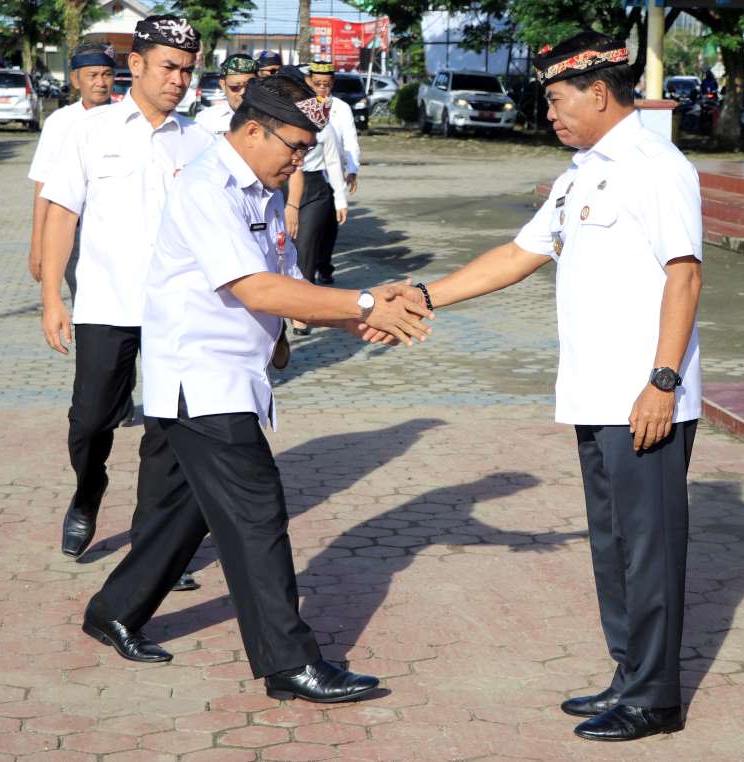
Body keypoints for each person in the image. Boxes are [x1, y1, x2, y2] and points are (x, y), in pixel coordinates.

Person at [82, 70, 433, 702]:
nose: (299, 162)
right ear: (251, 129)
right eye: (293, 148)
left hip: (234, 376)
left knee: (188, 513)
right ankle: (287, 662)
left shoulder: (263, 186)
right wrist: (361, 301)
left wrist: (348, 316)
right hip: (201, 378)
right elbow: (254, 287)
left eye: (306, 151)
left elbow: (282, 272)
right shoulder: (206, 187)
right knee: (256, 512)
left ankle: (114, 609)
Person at [412, 31, 702, 742]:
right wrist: (421, 296)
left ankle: (656, 698)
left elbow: (685, 274)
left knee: (649, 545)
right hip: (594, 393)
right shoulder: (582, 174)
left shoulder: (654, 166)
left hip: (644, 395)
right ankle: (629, 673)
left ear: (598, 92)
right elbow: (517, 255)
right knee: (612, 542)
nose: (549, 111)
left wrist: (662, 382)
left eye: (555, 97)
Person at [38, 16, 213, 590]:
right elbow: (63, 213)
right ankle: (88, 493)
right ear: (135, 64)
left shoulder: (201, 139)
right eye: (169, 66)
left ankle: (152, 547)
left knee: (167, 430)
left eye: (187, 70)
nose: (179, 80)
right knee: (90, 421)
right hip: (104, 303)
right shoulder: (89, 131)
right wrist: (51, 299)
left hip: (177, 309)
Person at [27, 44, 114, 289]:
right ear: (76, 80)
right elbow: (43, 184)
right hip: (72, 231)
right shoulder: (60, 122)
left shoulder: (126, 119)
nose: (100, 82)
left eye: (107, 74)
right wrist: (38, 245)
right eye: (92, 75)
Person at [283, 91, 348, 334]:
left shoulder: (326, 131)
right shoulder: (285, 127)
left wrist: (340, 200)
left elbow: (333, 163)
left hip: (316, 191)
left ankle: (301, 313)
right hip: (285, 184)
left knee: (306, 247)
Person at [304, 60, 360, 283]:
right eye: (317, 83)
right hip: (312, 173)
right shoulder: (302, 106)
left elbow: (350, 142)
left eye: (326, 84)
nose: (322, 89)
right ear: (309, 82)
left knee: (329, 224)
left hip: (332, 173)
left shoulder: (341, 108)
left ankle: (323, 265)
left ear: (332, 83)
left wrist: (352, 170)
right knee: (310, 226)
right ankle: (309, 267)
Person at [195, 53, 257, 135]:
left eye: (249, 87)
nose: (242, 92)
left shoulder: (270, 118)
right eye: (235, 87)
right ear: (223, 85)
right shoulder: (205, 120)